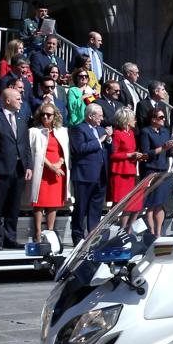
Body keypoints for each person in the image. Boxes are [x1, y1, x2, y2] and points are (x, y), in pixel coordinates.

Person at [0, 88, 33, 249]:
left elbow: (26, 145)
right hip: (1, 169)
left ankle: (10, 237)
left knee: (14, 206)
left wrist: (28, 166)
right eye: (18, 99)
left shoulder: (21, 119)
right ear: (7, 101)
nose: (21, 101)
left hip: (19, 169)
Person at [69, 104, 111, 244]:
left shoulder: (100, 129)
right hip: (84, 174)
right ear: (91, 116)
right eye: (99, 116)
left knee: (96, 207)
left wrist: (109, 139)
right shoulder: (78, 129)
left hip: (100, 174)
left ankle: (93, 236)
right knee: (81, 206)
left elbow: (108, 149)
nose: (102, 118)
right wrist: (99, 141)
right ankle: (78, 235)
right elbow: (79, 148)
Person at [28, 102, 71, 240]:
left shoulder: (62, 131)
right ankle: (38, 233)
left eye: (49, 115)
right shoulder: (34, 131)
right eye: (43, 114)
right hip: (42, 169)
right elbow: (36, 152)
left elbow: (65, 151)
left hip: (58, 169)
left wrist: (59, 163)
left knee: (53, 203)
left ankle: (50, 231)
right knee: (39, 202)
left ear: (55, 116)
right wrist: (51, 166)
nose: (45, 117)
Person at [138, 106, 173, 235]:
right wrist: (163, 148)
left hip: (163, 169)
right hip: (150, 169)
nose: (163, 119)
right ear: (153, 119)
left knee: (160, 203)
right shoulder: (145, 132)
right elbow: (145, 153)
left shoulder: (165, 132)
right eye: (160, 117)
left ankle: (159, 232)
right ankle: (151, 231)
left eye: (164, 117)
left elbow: (168, 153)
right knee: (151, 203)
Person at [108, 108, 146, 224]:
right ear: (126, 120)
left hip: (130, 170)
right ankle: (110, 227)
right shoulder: (117, 134)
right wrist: (130, 155)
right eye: (132, 118)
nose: (135, 120)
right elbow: (113, 155)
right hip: (120, 172)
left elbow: (131, 151)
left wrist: (138, 156)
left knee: (128, 204)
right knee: (118, 203)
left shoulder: (131, 133)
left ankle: (123, 228)